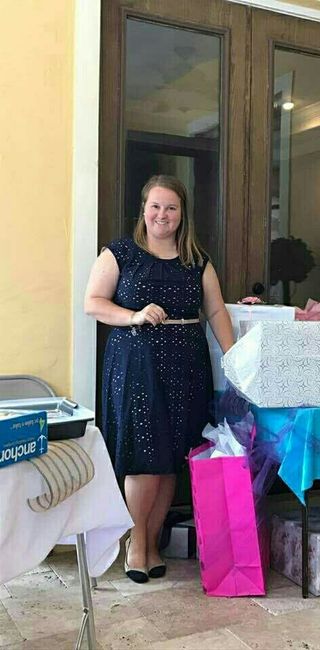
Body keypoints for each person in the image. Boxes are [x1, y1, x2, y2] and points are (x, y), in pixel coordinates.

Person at [84, 174, 233, 583]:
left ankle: (152, 542)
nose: (162, 215)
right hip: (137, 367)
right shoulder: (120, 253)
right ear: (144, 209)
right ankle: (135, 543)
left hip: (186, 368)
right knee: (144, 457)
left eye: (171, 207)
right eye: (155, 206)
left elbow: (216, 311)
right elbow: (92, 303)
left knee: (170, 459)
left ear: (182, 214)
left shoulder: (197, 260)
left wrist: (234, 358)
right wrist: (134, 314)